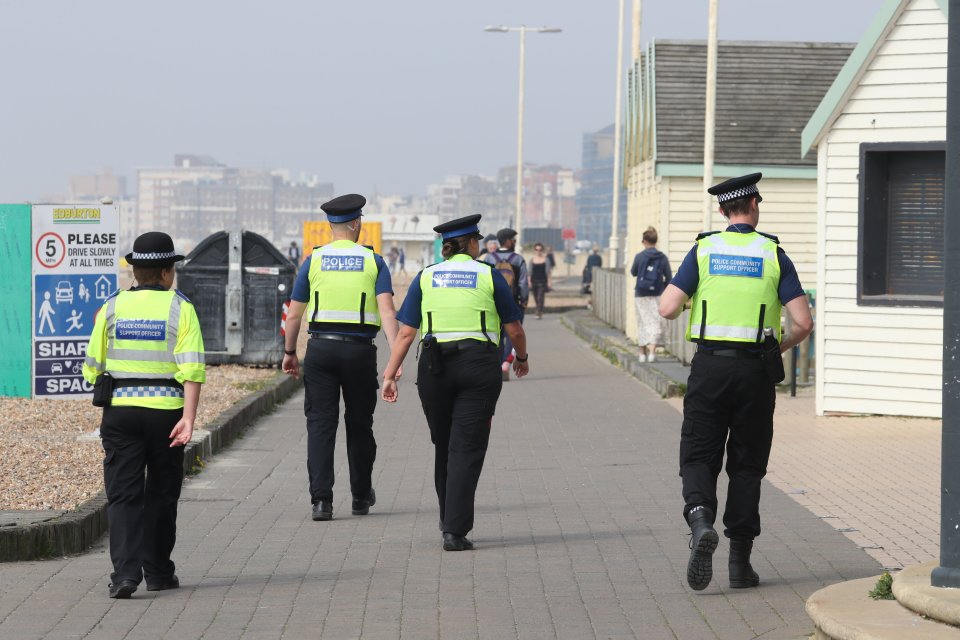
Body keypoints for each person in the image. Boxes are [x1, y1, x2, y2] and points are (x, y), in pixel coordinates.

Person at [659, 173, 813, 591]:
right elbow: (803, 323)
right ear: (755, 205)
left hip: (709, 368)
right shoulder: (773, 254)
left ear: (724, 210)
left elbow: (668, 308)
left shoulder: (704, 249)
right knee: (746, 465)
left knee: (698, 454)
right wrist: (774, 348)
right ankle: (740, 566)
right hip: (755, 372)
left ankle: (700, 521)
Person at [381, 214, 528, 551]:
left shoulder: (426, 277)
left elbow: (406, 332)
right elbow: (514, 328)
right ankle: (454, 529)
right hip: (478, 368)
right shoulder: (488, 275)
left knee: (445, 444)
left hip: (434, 368)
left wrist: (390, 374)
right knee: (467, 446)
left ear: (445, 247)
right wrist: (521, 358)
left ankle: (449, 516)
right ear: (473, 244)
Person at [82, 231, 206, 599]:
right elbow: (193, 369)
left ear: (134, 271)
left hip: (120, 413)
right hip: (166, 414)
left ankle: (124, 575)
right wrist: (190, 417)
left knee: (123, 495)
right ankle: (158, 572)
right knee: (162, 494)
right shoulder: (181, 308)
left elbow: (92, 366)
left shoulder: (112, 307)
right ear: (168, 272)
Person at [281, 194, 401, 522]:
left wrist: (290, 352)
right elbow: (388, 311)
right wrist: (395, 358)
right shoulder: (372, 261)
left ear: (330, 227)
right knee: (360, 424)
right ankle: (361, 496)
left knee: (321, 424)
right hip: (360, 352)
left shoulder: (313, 260)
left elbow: (294, 316)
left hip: (321, 350)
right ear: (357, 223)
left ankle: (322, 502)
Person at [481, 228, 528, 379]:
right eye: (513, 240)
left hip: (492, 302)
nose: (514, 242)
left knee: (497, 335)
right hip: (513, 301)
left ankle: (498, 364)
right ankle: (506, 364)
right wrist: (524, 300)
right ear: (507, 241)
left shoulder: (489, 258)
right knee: (513, 333)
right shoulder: (518, 259)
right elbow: (523, 283)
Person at [630, 227, 672, 362]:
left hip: (641, 294)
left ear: (645, 241)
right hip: (657, 294)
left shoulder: (639, 257)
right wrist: (662, 288)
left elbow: (633, 272)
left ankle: (642, 354)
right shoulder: (663, 258)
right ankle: (652, 353)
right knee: (655, 322)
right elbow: (669, 277)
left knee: (642, 322)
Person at [529, 242, 552, 319]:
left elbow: (548, 272)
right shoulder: (532, 260)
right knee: (536, 297)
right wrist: (529, 282)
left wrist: (549, 282)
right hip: (534, 281)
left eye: (540, 249)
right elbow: (529, 272)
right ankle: (540, 310)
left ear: (542, 250)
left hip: (542, 281)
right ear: (535, 250)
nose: (538, 251)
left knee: (540, 297)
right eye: (537, 249)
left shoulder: (546, 260)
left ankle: (538, 311)